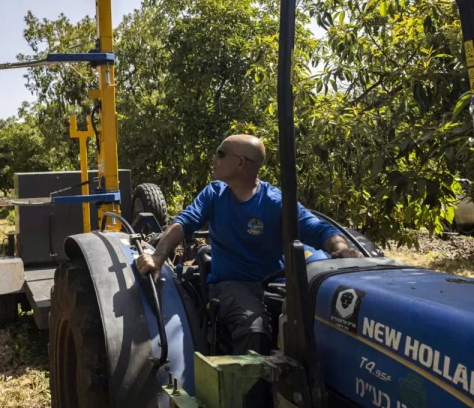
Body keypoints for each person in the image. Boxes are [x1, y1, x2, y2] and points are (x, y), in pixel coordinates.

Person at [135, 134, 362, 357]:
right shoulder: (214, 194)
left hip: (275, 283)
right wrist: (158, 257)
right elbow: (183, 223)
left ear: (241, 163)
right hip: (231, 283)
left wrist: (341, 248)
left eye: (221, 154)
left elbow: (318, 228)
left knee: (320, 323)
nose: (215, 159)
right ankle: (249, 394)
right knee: (254, 329)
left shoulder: (275, 202)